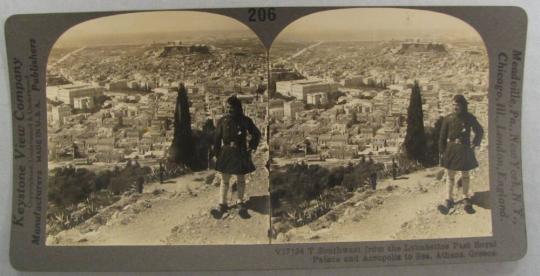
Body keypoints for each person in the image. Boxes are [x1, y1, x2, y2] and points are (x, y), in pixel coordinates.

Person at [210, 96, 261, 219]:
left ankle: (240, 202)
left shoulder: (245, 120)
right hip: (226, 152)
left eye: (231, 108)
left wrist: (252, 147)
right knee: (224, 179)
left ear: (237, 108)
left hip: (240, 152)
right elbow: (216, 139)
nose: (229, 110)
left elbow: (256, 133)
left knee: (240, 179)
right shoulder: (222, 121)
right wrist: (216, 154)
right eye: (227, 107)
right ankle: (222, 204)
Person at [438, 94, 484, 214]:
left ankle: (465, 198)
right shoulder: (448, 118)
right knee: (450, 176)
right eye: (453, 105)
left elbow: (479, 130)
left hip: (465, 149)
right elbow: (442, 137)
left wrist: (475, 143)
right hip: (451, 150)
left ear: (463, 106)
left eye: (457, 105)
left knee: (465, 175)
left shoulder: (469, 118)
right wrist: (442, 152)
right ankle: (448, 199)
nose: (455, 107)